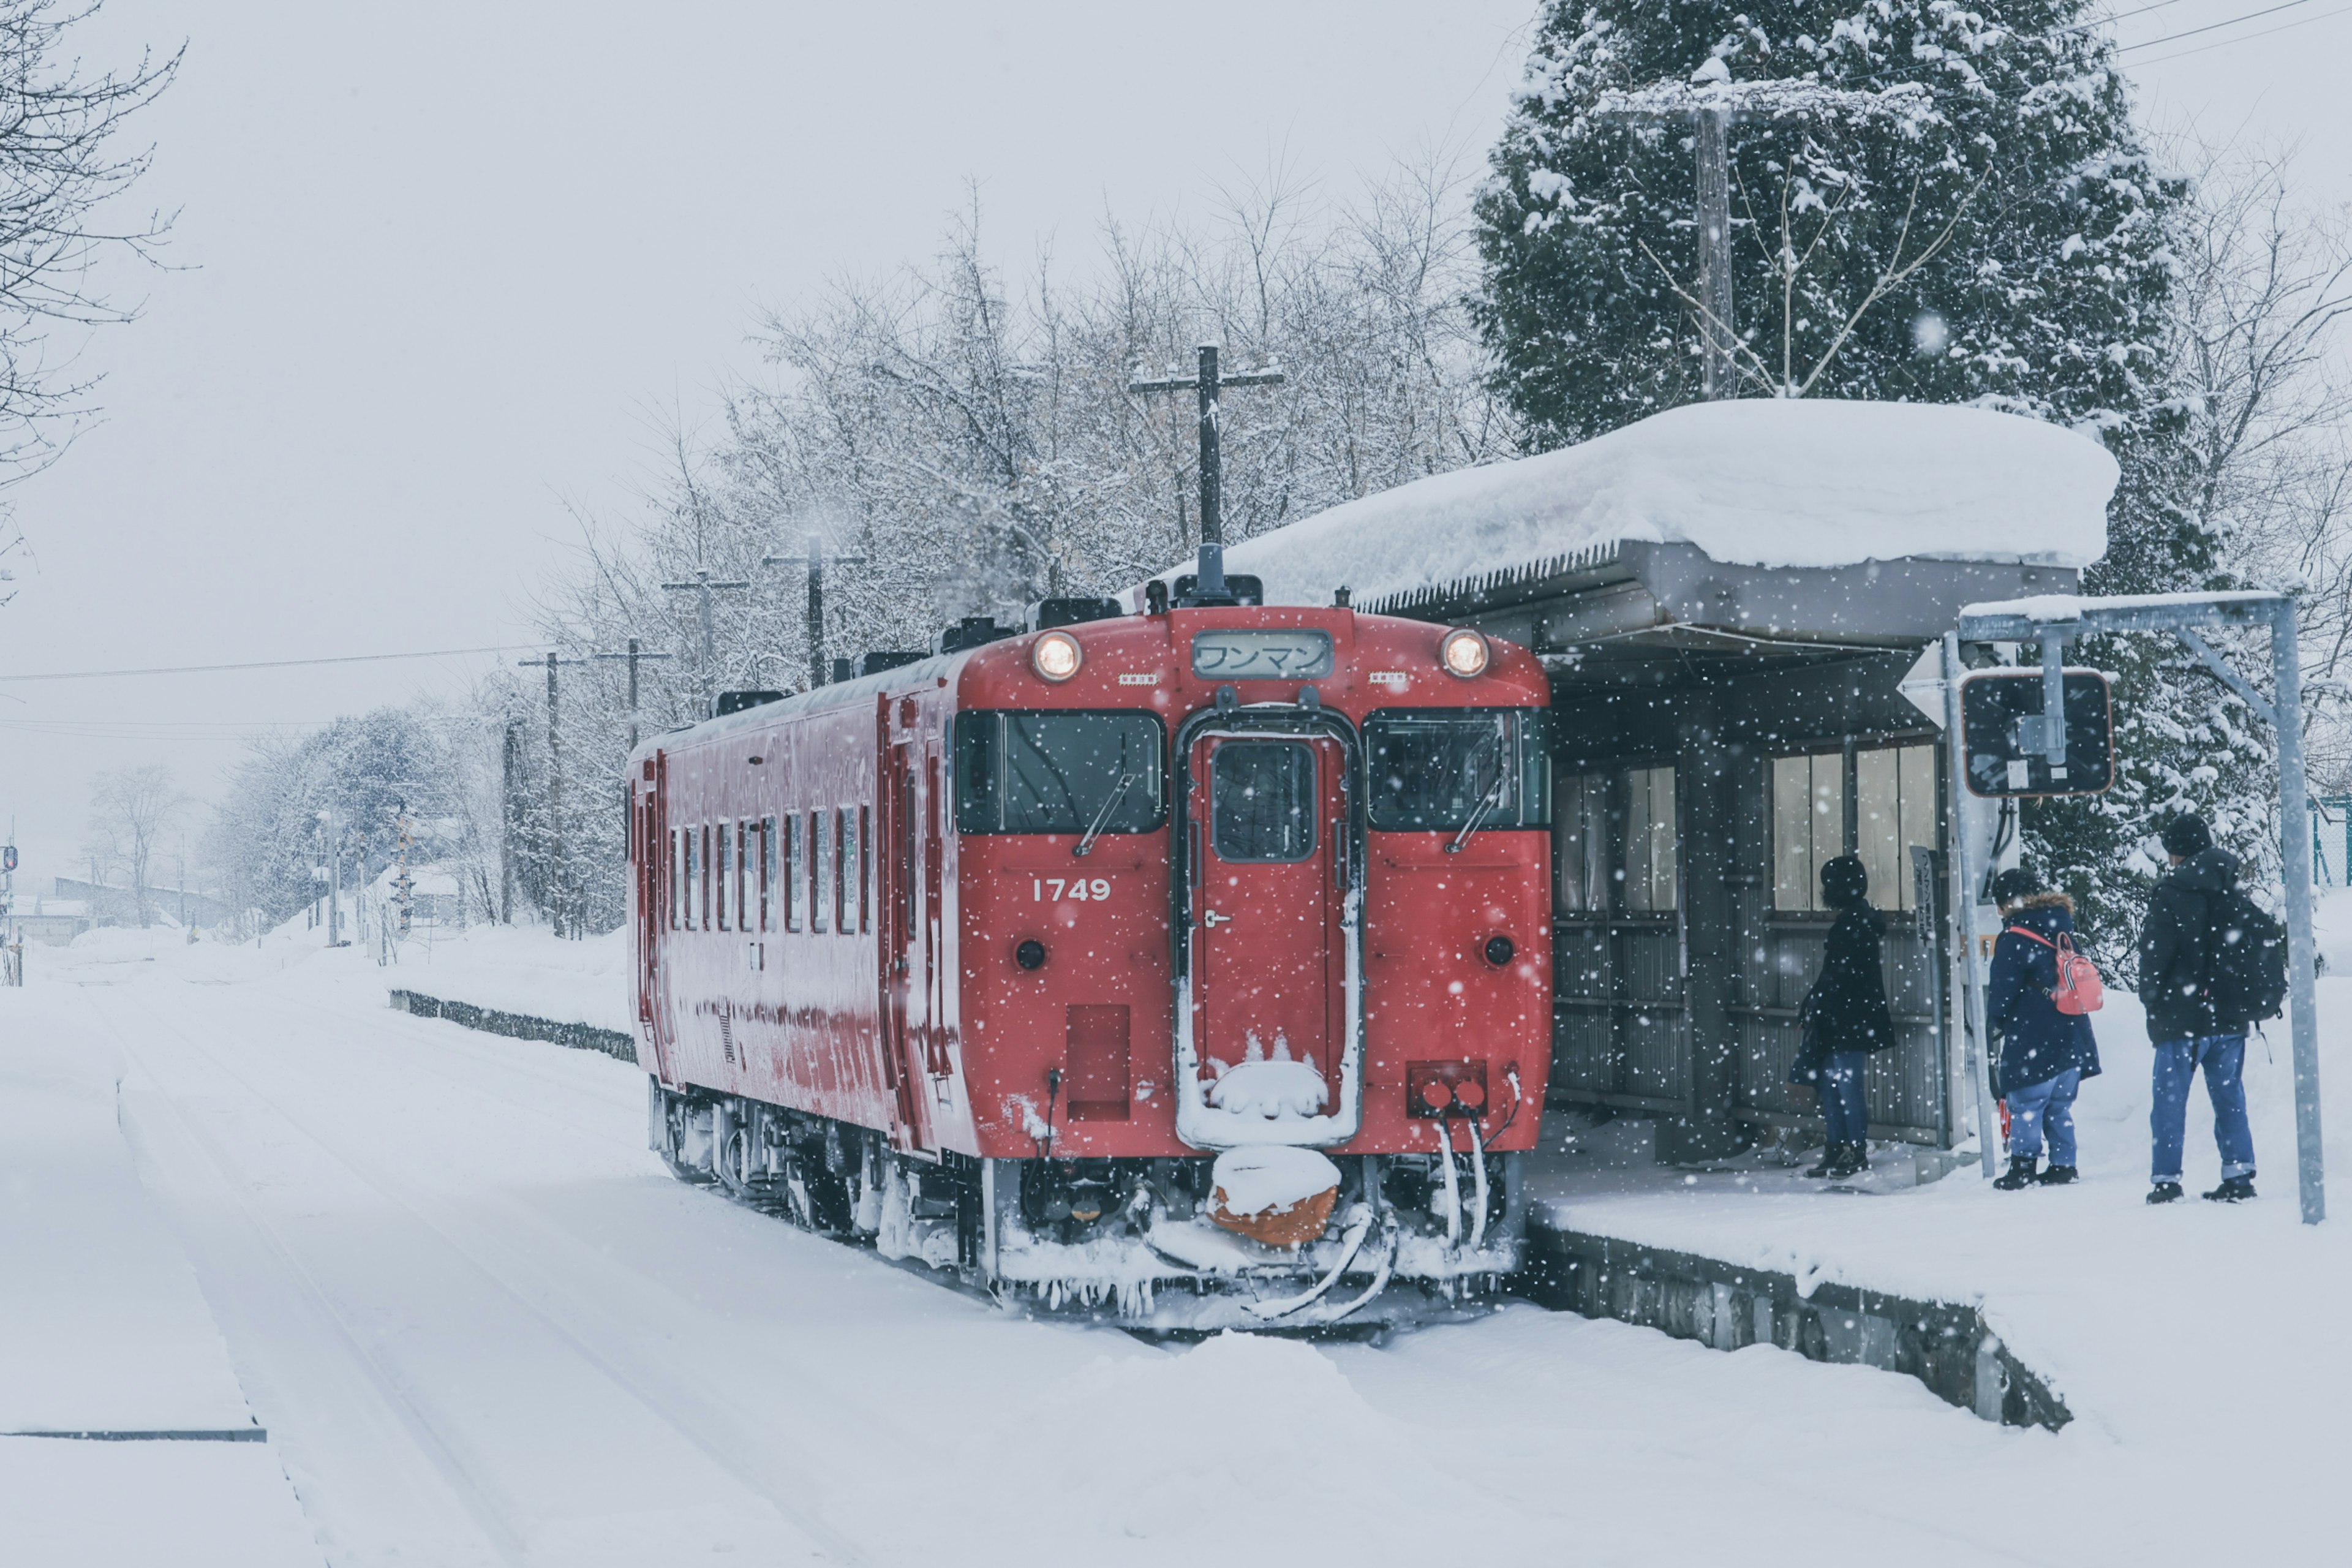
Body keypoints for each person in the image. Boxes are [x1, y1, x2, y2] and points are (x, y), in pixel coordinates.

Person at [2137, 813, 2258, 1204]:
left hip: (2181, 1016)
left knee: (2169, 1102)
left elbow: (2155, 955)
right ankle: (2239, 1174)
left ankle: (2167, 1180)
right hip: (2229, 1015)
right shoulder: (2231, 885)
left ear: (2177, 854)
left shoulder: (2171, 892)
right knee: (2230, 1098)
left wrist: (2151, 997)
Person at [1985, 868, 2101, 1189]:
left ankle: (2023, 1167)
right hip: (2072, 1032)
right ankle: (2064, 1164)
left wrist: (1997, 1020)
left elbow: (2002, 990)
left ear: (2008, 903)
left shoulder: (2014, 937)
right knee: (2059, 1105)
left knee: (2027, 1104)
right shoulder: (2061, 928)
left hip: (2034, 1035)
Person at [1790, 854, 1896, 1179]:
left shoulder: (1852, 924)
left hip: (1845, 1018)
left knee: (1840, 1085)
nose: (1824, 890)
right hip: (1849, 1017)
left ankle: (1848, 1149)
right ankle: (1843, 1149)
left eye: (1827, 884)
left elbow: (1838, 976)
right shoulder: (1859, 921)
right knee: (1840, 1084)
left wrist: (1817, 1003)